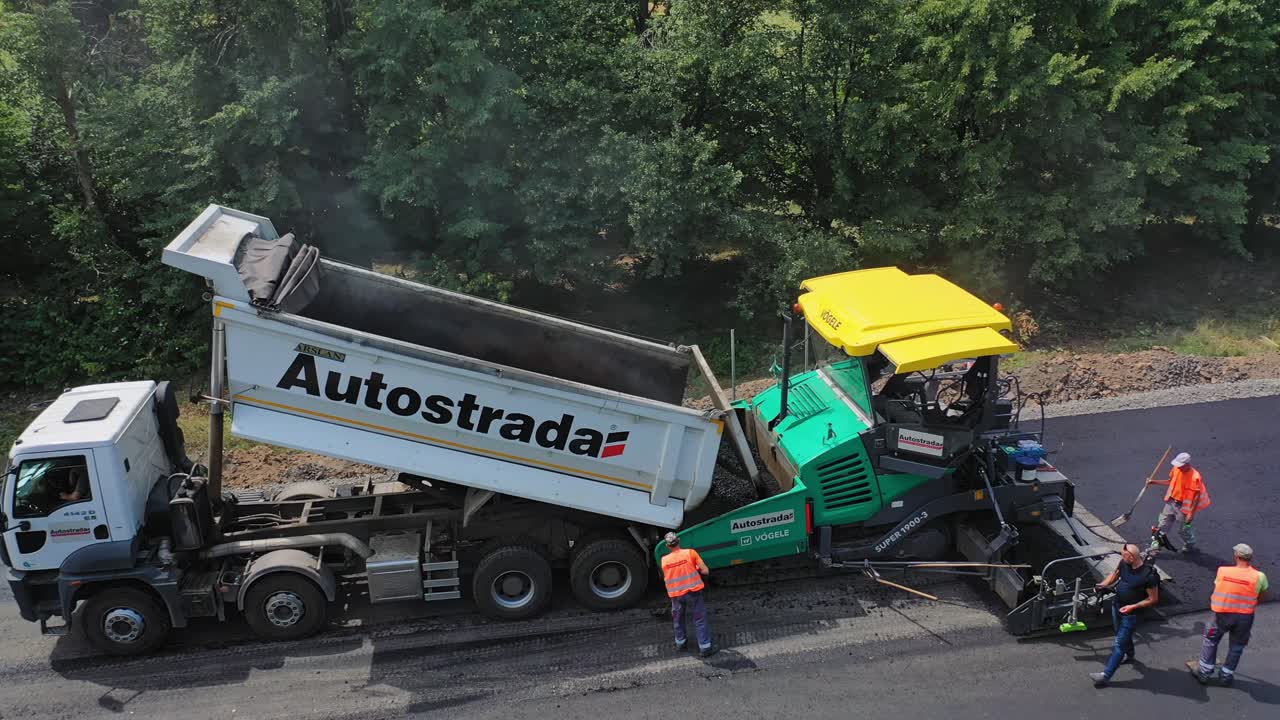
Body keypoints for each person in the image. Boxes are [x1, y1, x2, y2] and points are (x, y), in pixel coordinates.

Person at [1191, 543, 1269, 685]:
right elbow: (1262, 595)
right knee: (1237, 646)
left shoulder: (1223, 571)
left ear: (1237, 556)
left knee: (1211, 640)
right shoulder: (1260, 576)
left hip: (1221, 614)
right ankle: (1226, 676)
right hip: (1245, 617)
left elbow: (1220, 587)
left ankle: (1204, 672)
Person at [1090, 543, 1160, 687]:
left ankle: (1105, 676)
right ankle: (1130, 655)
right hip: (1117, 606)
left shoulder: (1149, 575)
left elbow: (1153, 599)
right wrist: (1102, 585)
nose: (1122, 558)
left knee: (1119, 644)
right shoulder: (1124, 563)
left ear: (1132, 557)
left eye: (1124, 555)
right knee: (1119, 634)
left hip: (1132, 614)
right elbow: (1114, 575)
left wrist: (1133, 606)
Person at [660, 532, 716, 657]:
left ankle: (681, 644)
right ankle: (705, 648)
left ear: (667, 545)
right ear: (678, 541)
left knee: (678, 619)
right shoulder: (690, 553)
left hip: (676, 596)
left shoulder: (664, 560)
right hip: (693, 593)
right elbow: (705, 571)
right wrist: (695, 567)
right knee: (700, 619)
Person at [1147, 451, 1210, 553]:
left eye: (1181, 466)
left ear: (1187, 464)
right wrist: (1154, 482)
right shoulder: (1176, 469)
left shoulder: (1195, 477)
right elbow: (1170, 481)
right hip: (1171, 502)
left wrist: (1191, 513)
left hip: (1183, 507)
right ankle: (1156, 546)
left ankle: (1190, 543)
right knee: (1162, 524)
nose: (1178, 467)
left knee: (1184, 530)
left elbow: (1196, 497)